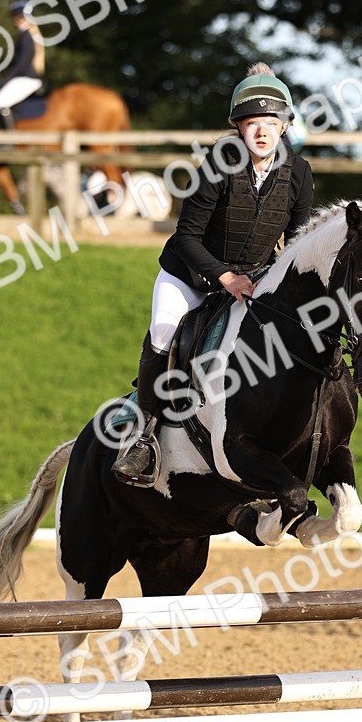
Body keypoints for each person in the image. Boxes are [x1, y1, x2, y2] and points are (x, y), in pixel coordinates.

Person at [112, 62, 315, 485]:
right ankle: (143, 439)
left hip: (253, 282)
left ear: (284, 127)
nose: (261, 132)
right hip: (190, 274)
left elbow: (296, 243)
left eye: (271, 123)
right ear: (239, 128)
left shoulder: (298, 173)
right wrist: (225, 278)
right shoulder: (218, 165)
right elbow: (186, 237)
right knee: (164, 333)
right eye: (252, 123)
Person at [0, 0, 45, 129]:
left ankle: (8, 140)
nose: (15, 20)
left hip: (26, 78)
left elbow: (22, 63)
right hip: (26, 78)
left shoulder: (27, 36)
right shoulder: (29, 35)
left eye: (17, 17)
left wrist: (6, 79)